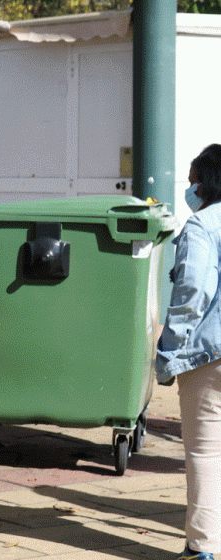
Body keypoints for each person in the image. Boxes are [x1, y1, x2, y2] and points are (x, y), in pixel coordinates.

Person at [157, 144, 221, 560]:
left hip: (211, 355)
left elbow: (192, 291)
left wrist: (168, 352)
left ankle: (204, 547)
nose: (190, 188)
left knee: (205, 451)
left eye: (193, 180)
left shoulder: (202, 224)